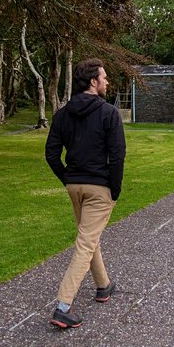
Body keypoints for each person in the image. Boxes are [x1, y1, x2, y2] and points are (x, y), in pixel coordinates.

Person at [45, 58, 126, 329]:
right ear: (93, 82)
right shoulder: (109, 113)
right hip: (99, 187)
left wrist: (66, 177)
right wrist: (114, 190)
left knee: (89, 238)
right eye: (103, 77)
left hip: (75, 186)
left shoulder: (61, 114)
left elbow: (52, 154)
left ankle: (103, 285)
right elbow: (117, 157)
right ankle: (63, 306)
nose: (106, 82)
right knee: (85, 243)